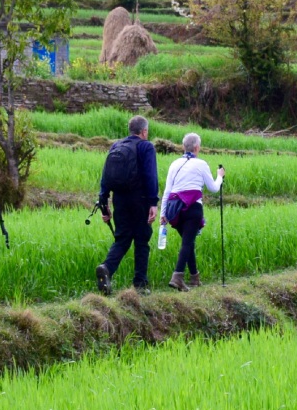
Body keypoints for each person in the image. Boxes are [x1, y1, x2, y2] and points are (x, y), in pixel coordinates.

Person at [95, 115, 159, 295]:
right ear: (144, 131)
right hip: (140, 200)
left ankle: (106, 268)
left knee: (122, 239)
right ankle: (140, 285)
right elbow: (150, 176)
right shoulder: (146, 146)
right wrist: (153, 203)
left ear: (130, 130)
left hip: (119, 200)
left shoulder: (116, 147)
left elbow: (105, 177)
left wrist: (104, 202)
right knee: (142, 240)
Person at [160, 133, 224, 291]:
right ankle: (177, 277)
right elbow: (213, 188)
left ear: (184, 147)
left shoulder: (174, 164)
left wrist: (163, 213)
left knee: (188, 243)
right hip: (192, 208)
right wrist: (220, 176)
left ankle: (195, 277)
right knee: (187, 243)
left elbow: (167, 190)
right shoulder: (201, 164)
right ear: (197, 147)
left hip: (174, 209)